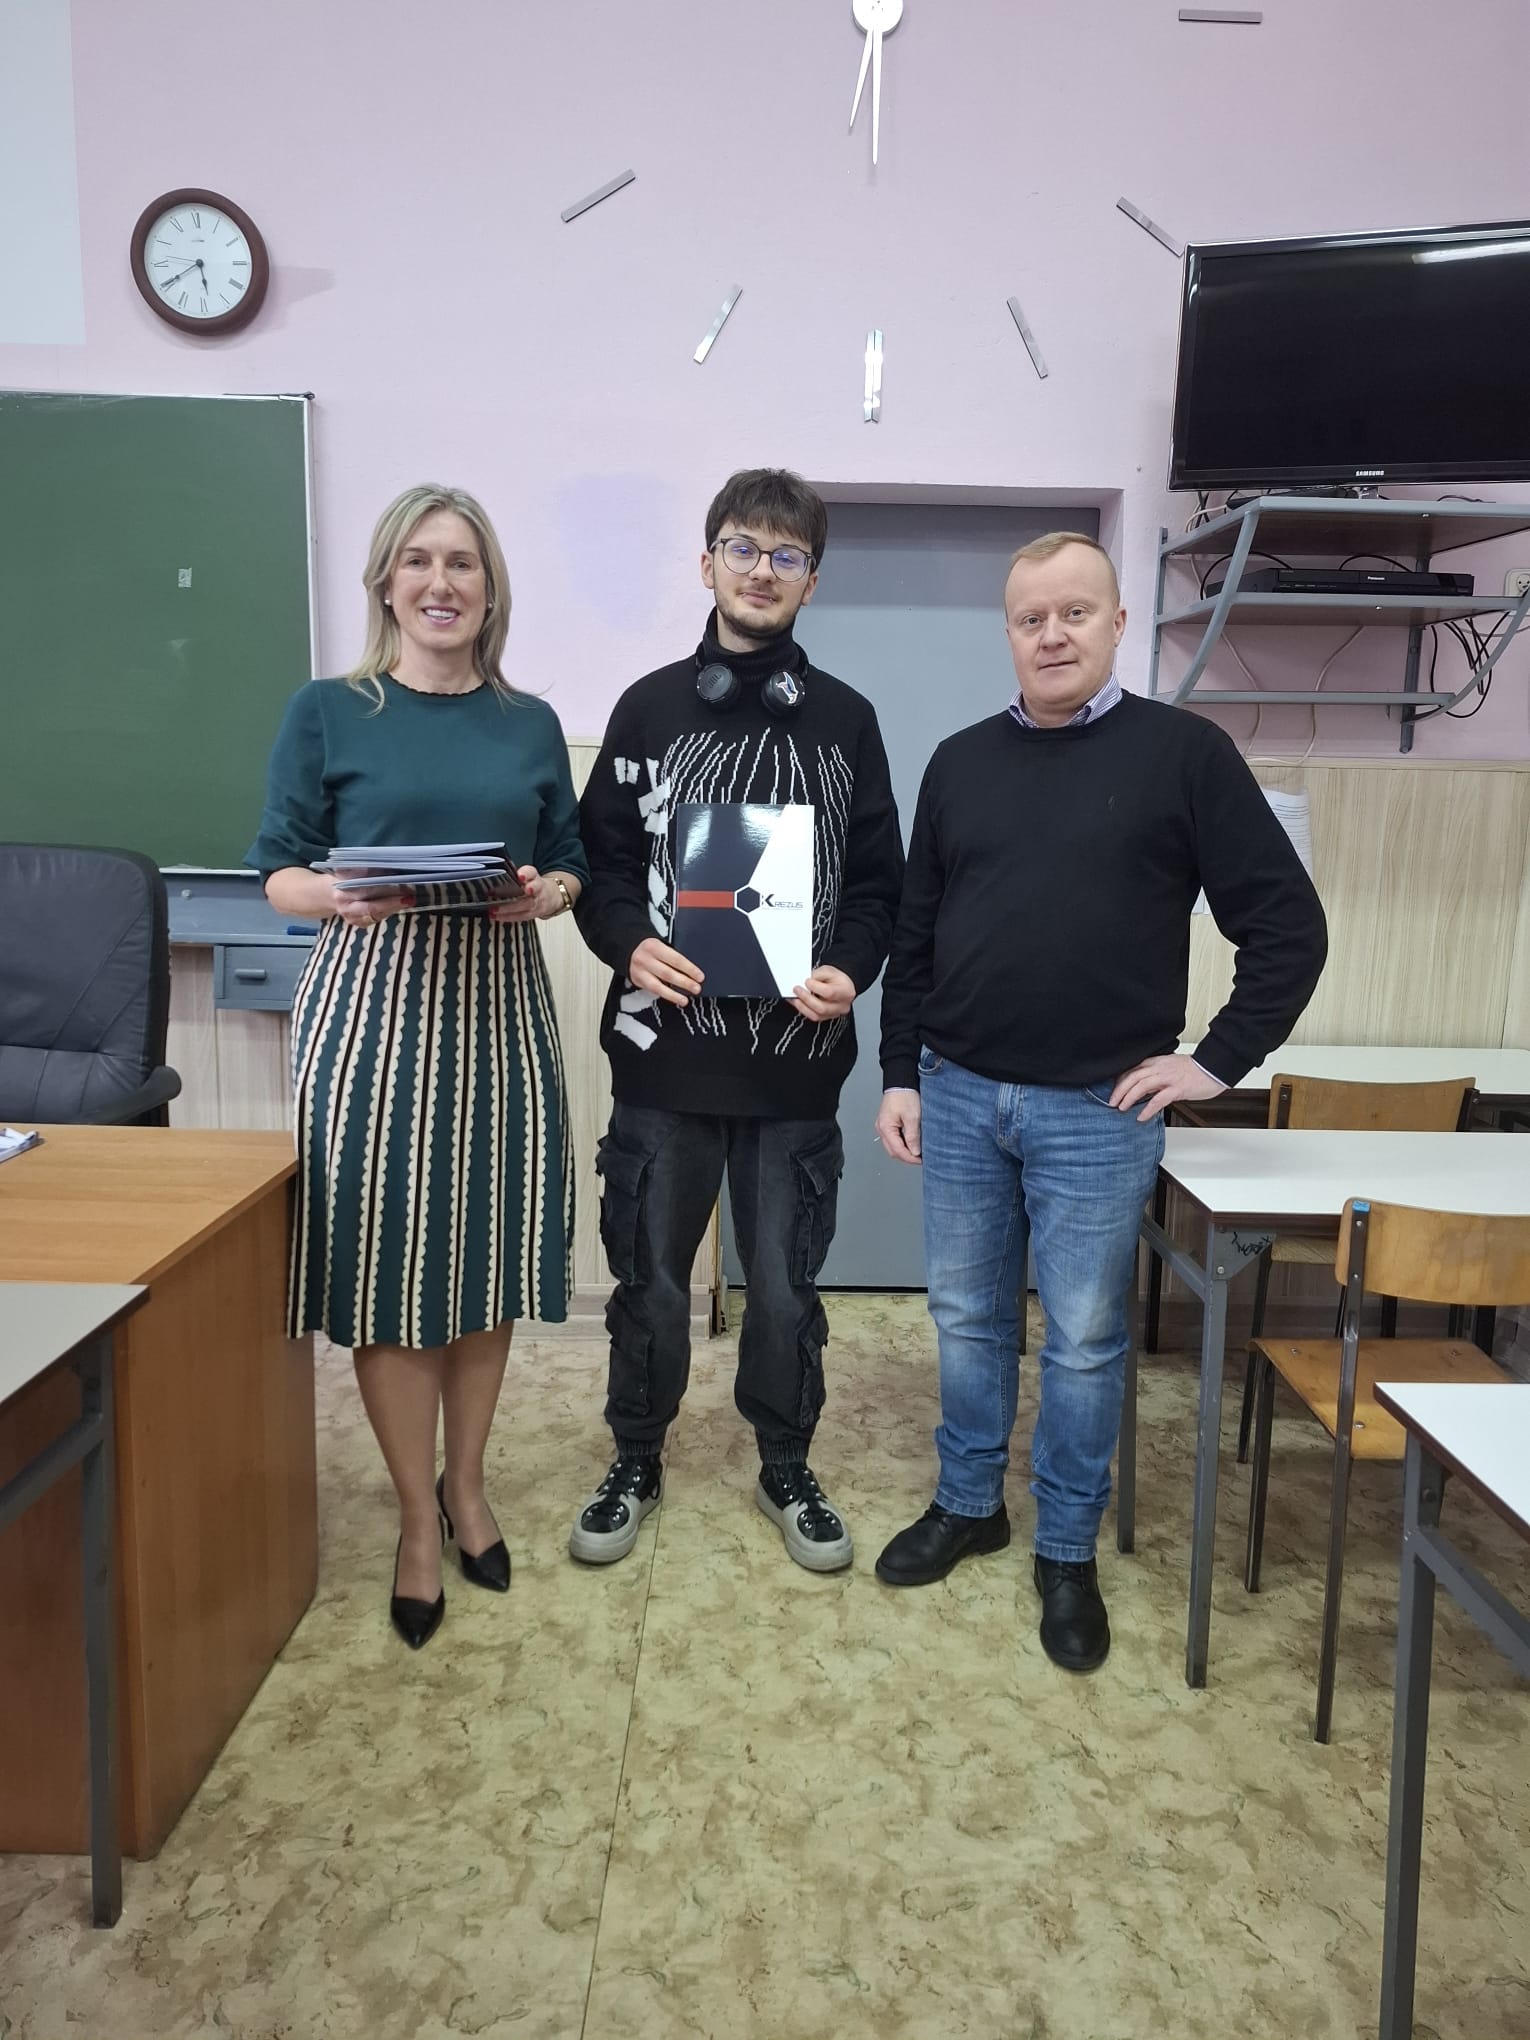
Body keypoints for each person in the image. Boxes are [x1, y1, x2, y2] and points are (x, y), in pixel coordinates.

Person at [874, 531, 1327, 1671]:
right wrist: (898, 1071)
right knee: (967, 1318)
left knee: (1081, 1340)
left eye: (1075, 612)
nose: (1052, 635)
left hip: (1098, 1111)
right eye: (1031, 618)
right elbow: (914, 936)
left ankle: (1066, 1548)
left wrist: (1216, 1061)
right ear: (1009, 634)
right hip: (959, 1093)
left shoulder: (1185, 755)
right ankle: (969, 1504)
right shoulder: (959, 763)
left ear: (1119, 624)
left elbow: (1287, 926)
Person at [250, 484, 588, 1650]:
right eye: (420, 561)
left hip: (497, 1009)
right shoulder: (328, 710)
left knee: (485, 1263)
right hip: (372, 1010)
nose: (442, 582)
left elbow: (570, 861)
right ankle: (410, 1519)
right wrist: (336, 893)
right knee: (389, 1275)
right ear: (386, 583)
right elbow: (279, 871)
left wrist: (550, 893)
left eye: (464, 563)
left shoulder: (529, 721)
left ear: (490, 590)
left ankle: (468, 1489)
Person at [569, 468, 904, 1572]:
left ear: (813, 579)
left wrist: (848, 968)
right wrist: (630, 942)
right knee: (650, 1285)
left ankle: (786, 1461)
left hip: (794, 1067)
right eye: (743, 548)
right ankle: (635, 1456)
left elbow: (879, 888)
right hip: (663, 1066)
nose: (763, 571)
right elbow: (600, 865)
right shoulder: (646, 708)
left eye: (787, 555)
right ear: (706, 560)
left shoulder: (848, 722)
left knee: (786, 1291)